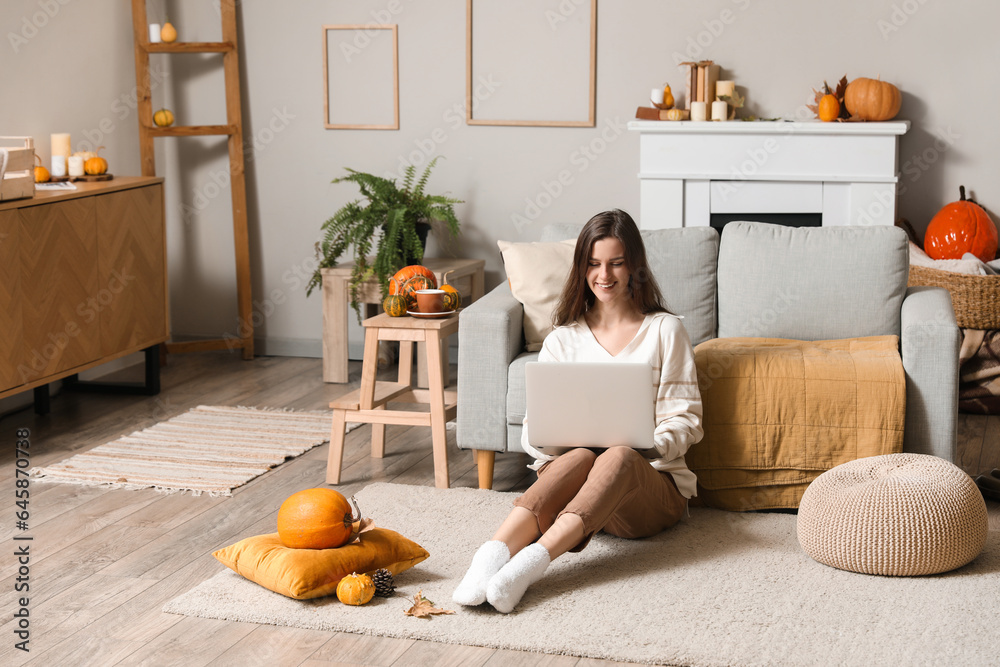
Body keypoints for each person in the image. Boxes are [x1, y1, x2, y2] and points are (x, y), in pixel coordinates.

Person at [452, 209, 704, 613]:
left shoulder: (665, 330)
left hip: (649, 493)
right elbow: (533, 431)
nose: (604, 275)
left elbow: (685, 420)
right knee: (581, 455)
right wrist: (555, 440)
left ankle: (531, 567)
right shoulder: (561, 340)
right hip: (582, 494)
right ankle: (490, 558)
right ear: (581, 268)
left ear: (634, 266)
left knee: (619, 453)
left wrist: (648, 448)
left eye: (616, 263)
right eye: (593, 263)